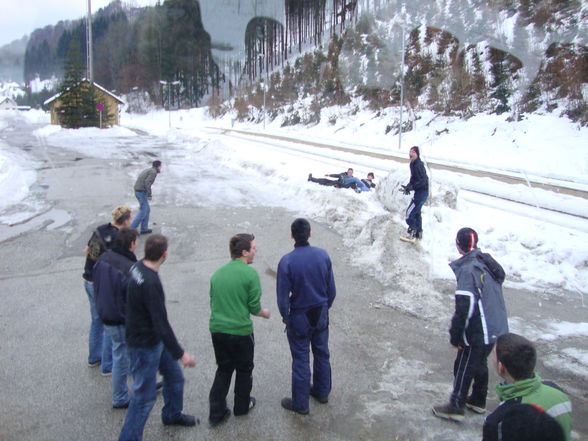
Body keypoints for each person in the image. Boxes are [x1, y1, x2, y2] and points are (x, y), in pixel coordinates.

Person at [118, 234, 197, 441]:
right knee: (143, 398)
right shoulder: (150, 282)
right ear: (165, 255)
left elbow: (123, 292)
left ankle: (171, 414)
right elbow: (161, 324)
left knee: (175, 378)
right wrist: (182, 354)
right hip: (144, 346)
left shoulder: (137, 267)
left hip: (154, 341)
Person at [432, 227, 509, 422]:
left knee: (463, 365)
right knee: (479, 362)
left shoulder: (468, 270)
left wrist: (456, 335)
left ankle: (456, 405)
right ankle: (478, 399)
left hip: (480, 330)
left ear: (459, 246)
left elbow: (464, 307)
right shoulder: (485, 262)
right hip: (496, 326)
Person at [208, 234, 270, 427]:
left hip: (218, 330)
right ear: (244, 252)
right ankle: (241, 406)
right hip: (241, 332)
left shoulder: (217, 274)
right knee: (244, 369)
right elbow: (253, 307)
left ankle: (216, 412)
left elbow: (213, 300)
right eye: (253, 248)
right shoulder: (250, 274)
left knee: (224, 369)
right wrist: (264, 313)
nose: (255, 251)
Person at [277, 218, 336, 415]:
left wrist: (286, 317)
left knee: (301, 358)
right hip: (320, 312)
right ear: (310, 234)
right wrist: (325, 309)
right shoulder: (323, 256)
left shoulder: (287, 261)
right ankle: (322, 392)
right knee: (322, 353)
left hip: (300, 316)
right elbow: (332, 291)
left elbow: (282, 299)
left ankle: (300, 403)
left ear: (292, 235)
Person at [482, 333, 573, 441]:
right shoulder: (558, 392)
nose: (492, 358)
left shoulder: (502, 419)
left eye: (493, 355)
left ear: (501, 367)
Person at [82, 205, 132, 374]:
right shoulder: (118, 238)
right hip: (101, 282)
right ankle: (108, 365)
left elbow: (87, 250)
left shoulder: (101, 229)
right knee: (110, 323)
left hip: (88, 279)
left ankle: (94, 357)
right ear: (125, 221)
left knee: (96, 320)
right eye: (130, 219)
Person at [93, 227, 138, 409]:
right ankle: (119, 396)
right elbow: (131, 297)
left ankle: (137, 383)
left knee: (121, 350)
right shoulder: (127, 267)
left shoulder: (104, 258)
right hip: (119, 317)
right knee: (122, 355)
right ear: (132, 244)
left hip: (105, 312)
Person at [400, 146, 428, 240]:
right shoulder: (412, 164)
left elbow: (423, 180)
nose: (411, 154)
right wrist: (408, 187)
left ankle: (412, 231)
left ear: (417, 154)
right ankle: (418, 233)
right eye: (410, 151)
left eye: (413, 152)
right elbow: (413, 178)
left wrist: (413, 187)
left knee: (409, 213)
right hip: (419, 192)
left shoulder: (419, 165)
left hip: (422, 193)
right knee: (416, 213)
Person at [130, 160, 162, 235]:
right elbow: (147, 183)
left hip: (138, 191)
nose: (161, 168)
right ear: (158, 166)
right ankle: (131, 229)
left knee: (147, 210)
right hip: (141, 192)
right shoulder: (153, 172)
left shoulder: (149, 170)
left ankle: (144, 228)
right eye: (160, 166)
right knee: (143, 211)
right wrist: (149, 195)